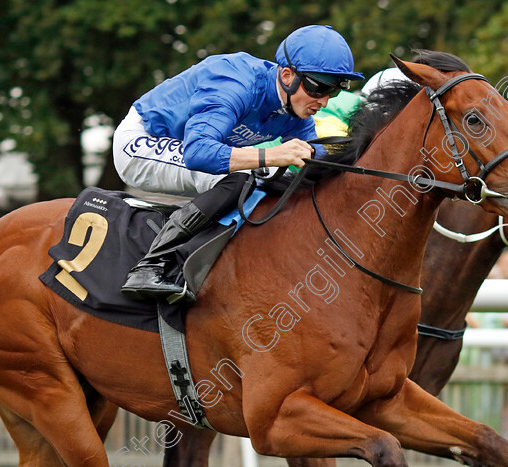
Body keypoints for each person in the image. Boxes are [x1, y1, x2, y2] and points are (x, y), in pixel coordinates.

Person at [112, 25, 364, 302]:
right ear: (287, 75)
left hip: (190, 150)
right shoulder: (235, 81)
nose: (324, 102)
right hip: (142, 142)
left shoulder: (296, 110)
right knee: (244, 176)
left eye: (334, 92)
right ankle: (148, 266)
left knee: (274, 180)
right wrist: (270, 155)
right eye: (319, 88)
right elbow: (198, 153)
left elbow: (319, 163)